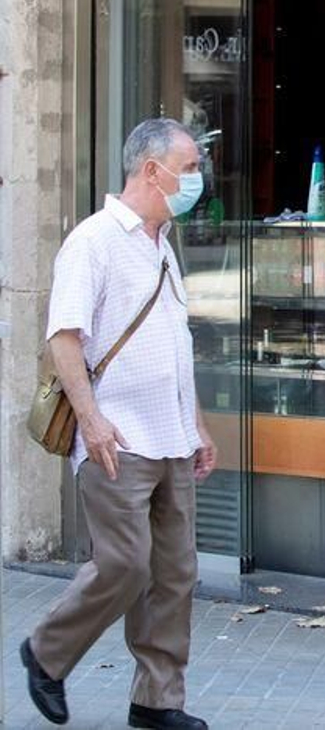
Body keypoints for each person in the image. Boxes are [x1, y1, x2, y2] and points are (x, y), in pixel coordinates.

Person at [20, 118, 217, 730]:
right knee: (126, 565)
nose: (197, 180)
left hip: (172, 439)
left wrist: (199, 426)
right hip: (117, 440)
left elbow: (172, 347)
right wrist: (92, 421)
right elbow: (65, 338)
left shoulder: (162, 246)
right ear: (150, 170)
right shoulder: (95, 240)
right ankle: (46, 653)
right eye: (187, 168)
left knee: (175, 574)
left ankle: (157, 703)